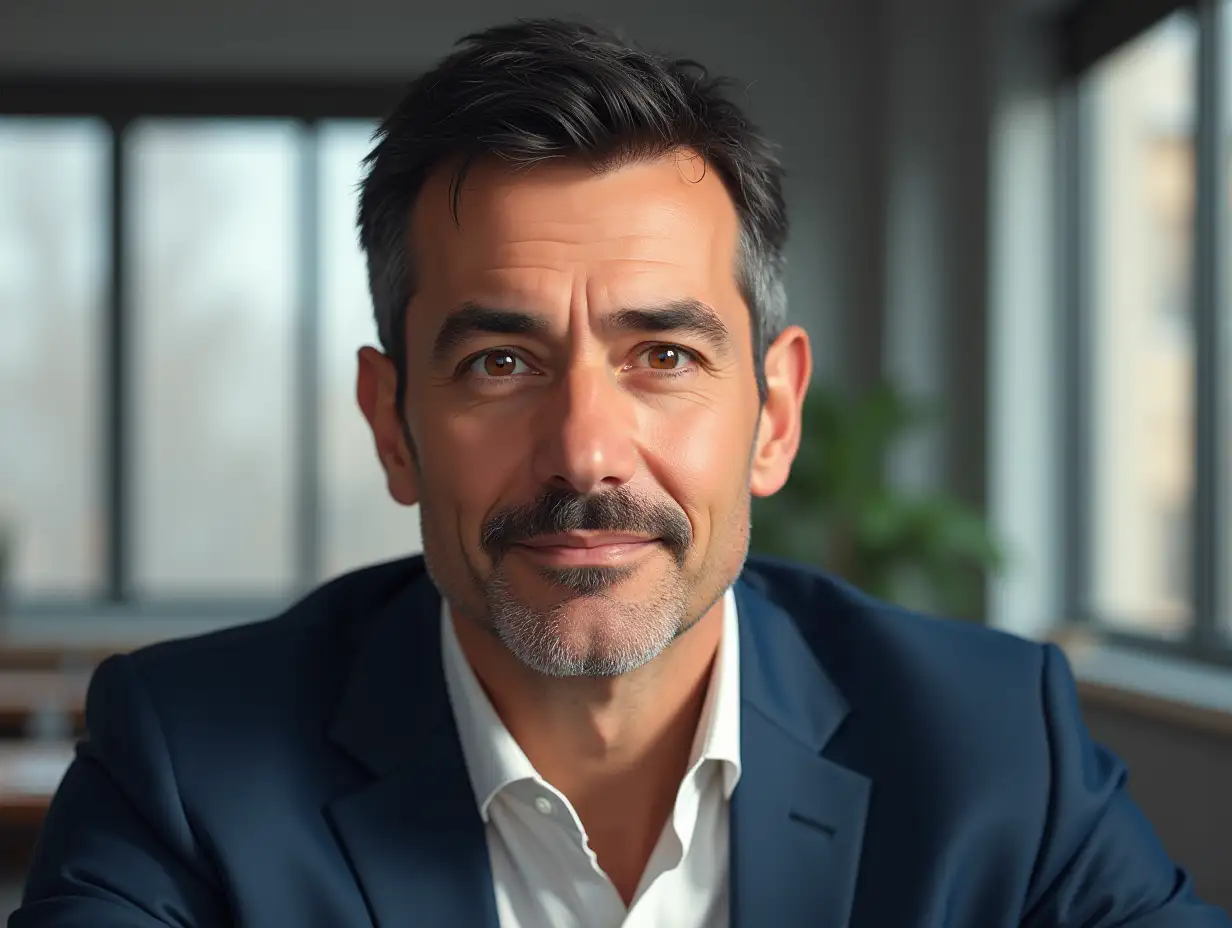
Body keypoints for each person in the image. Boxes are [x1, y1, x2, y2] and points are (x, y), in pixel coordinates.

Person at [11, 18, 1229, 928]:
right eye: (499, 360)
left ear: (772, 414)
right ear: (393, 425)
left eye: (662, 354)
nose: (585, 448)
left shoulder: (994, 751)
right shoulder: (188, 769)